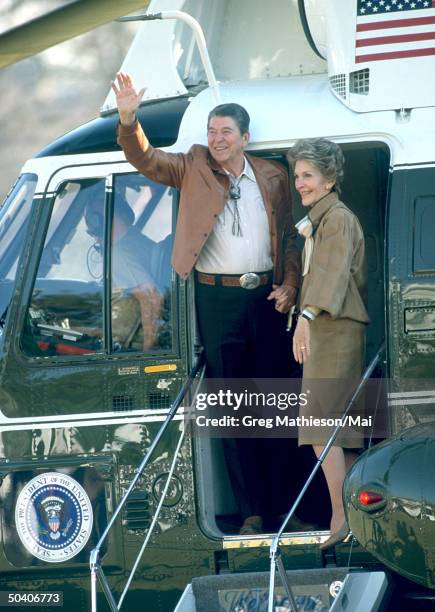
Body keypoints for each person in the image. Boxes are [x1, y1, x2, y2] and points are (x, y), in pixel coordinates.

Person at [112, 71, 310, 534]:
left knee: (279, 406)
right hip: (216, 299)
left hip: (267, 299)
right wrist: (128, 119)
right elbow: (146, 159)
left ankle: (290, 509)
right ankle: (252, 513)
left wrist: (291, 286)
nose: (216, 139)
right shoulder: (193, 165)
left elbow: (290, 240)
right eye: (211, 131)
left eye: (225, 132)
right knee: (234, 407)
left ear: (245, 138)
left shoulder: (274, 176)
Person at [287, 138, 369, 549]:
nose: (300, 183)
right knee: (341, 432)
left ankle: (340, 517)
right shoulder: (324, 219)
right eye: (297, 175)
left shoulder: (335, 218)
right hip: (333, 328)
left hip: (331, 330)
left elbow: (332, 278)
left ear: (329, 179)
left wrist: (304, 320)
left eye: (308, 175)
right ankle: (352, 515)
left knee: (322, 428)